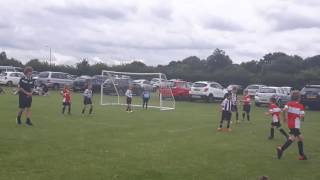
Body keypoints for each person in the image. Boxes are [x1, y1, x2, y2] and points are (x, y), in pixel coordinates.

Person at [276, 91, 307, 160]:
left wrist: (284, 118)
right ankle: (281, 149)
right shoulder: (300, 106)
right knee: (292, 138)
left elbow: (284, 110)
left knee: (300, 138)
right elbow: (302, 116)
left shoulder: (288, 103)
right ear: (299, 98)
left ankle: (302, 155)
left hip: (290, 124)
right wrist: (302, 117)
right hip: (296, 124)